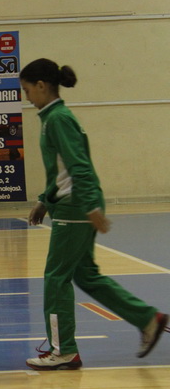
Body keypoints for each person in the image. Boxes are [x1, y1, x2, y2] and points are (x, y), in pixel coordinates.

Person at [20, 58, 168, 371]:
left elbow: (79, 165)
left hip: (75, 206)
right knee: (85, 274)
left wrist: (91, 206)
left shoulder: (57, 119)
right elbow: (60, 170)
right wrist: (45, 201)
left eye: (27, 90)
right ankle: (148, 319)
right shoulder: (55, 117)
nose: (26, 97)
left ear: (42, 86)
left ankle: (63, 350)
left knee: (56, 277)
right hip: (73, 203)